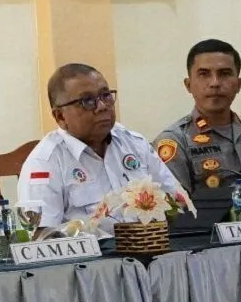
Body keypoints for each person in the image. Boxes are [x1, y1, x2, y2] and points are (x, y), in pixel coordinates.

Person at [17, 63, 183, 229]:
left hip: (149, 242)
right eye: (87, 101)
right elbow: (43, 236)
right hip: (93, 247)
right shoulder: (44, 163)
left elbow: (176, 201)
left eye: (106, 95)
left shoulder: (134, 144)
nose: (102, 106)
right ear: (60, 116)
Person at [153, 39, 241, 196]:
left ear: (239, 84)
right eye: (204, 74)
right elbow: (177, 206)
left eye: (224, 74)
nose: (215, 83)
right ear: (188, 85)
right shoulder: (175, 141)